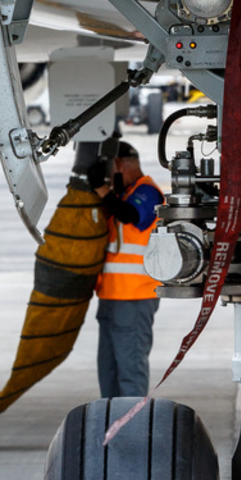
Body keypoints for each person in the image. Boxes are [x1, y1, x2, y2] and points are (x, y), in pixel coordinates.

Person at [89, 142, 164, 400]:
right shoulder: (125, 194)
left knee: (130, 373)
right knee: (108, 373)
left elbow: (131, 215)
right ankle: (111, 431)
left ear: (119, 165)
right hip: (111, 298)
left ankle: (131, 435)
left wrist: (102, 192)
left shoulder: (148, 192)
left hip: (134, 298)